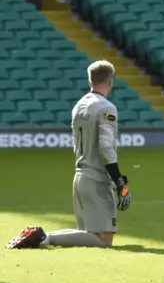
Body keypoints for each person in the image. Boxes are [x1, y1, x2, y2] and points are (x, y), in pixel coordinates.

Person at [6, 60, 131, 249]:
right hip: (97, 179)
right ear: (110, 81)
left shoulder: (79, 106)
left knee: (86, 235)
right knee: (104, 240)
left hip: (80, 177)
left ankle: (40, 236)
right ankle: (43, 238)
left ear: (90, 81)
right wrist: (119, 181)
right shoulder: (106, 108)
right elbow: (106, 147)